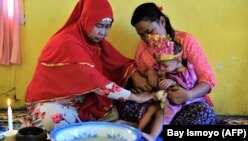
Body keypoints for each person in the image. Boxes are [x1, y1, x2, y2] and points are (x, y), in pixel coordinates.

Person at [24, 0, 154, 132]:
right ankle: (99, 129)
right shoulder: (67, 41)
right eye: (99, 25)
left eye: (107, 26)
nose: (103, 32)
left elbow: (119, 63)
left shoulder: (95, 42)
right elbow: (95, 81)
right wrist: (135, 97)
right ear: (86, 20)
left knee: (112, 111)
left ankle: (93, 129)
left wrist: (136, 76)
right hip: (52, 101)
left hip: (81, 101)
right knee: (57, 119)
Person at [130, 2, 216, 126]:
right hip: (160, 103)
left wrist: (188, 94)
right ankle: (159, 126)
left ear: (162, 21)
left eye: (150, 31)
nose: (147, 38)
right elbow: (139, 72)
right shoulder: (143, 48)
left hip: (187, 103)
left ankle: (152, 127)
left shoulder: (185, 41)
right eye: (141, 35)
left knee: (201, 113)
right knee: (125, 103)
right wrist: (145, 75)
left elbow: (207, 80)